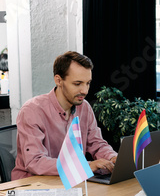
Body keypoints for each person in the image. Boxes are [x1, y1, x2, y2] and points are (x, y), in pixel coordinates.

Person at [12, 51, 117, 180]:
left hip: (71, 180)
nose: (84, 91)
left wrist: (112, 157)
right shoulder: (32, 111)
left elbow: (96, 144)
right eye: (77, 84)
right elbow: (35, 161)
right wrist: (86, 166)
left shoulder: (84, 107)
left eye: (88, 83)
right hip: (33, 185)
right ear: (58, 80)